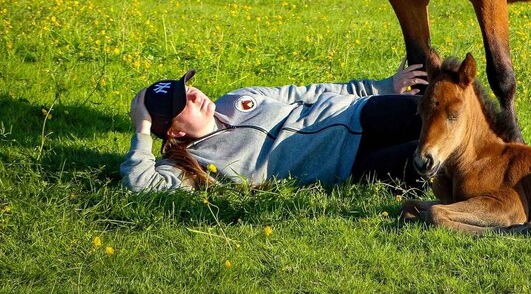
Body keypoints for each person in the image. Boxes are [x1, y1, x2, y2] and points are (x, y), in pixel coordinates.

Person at [120, 60, 427, 192]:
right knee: (423, 160)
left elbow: (309, 92)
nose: (194, 94)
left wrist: (382, 86)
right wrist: (142, 129)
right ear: (174, 131)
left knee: (424, 113)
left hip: (357, 112)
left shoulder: (237, 98)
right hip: (349, 162)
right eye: (181, 102)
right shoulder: (197, 166)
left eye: (185, 87)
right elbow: (140, 184)